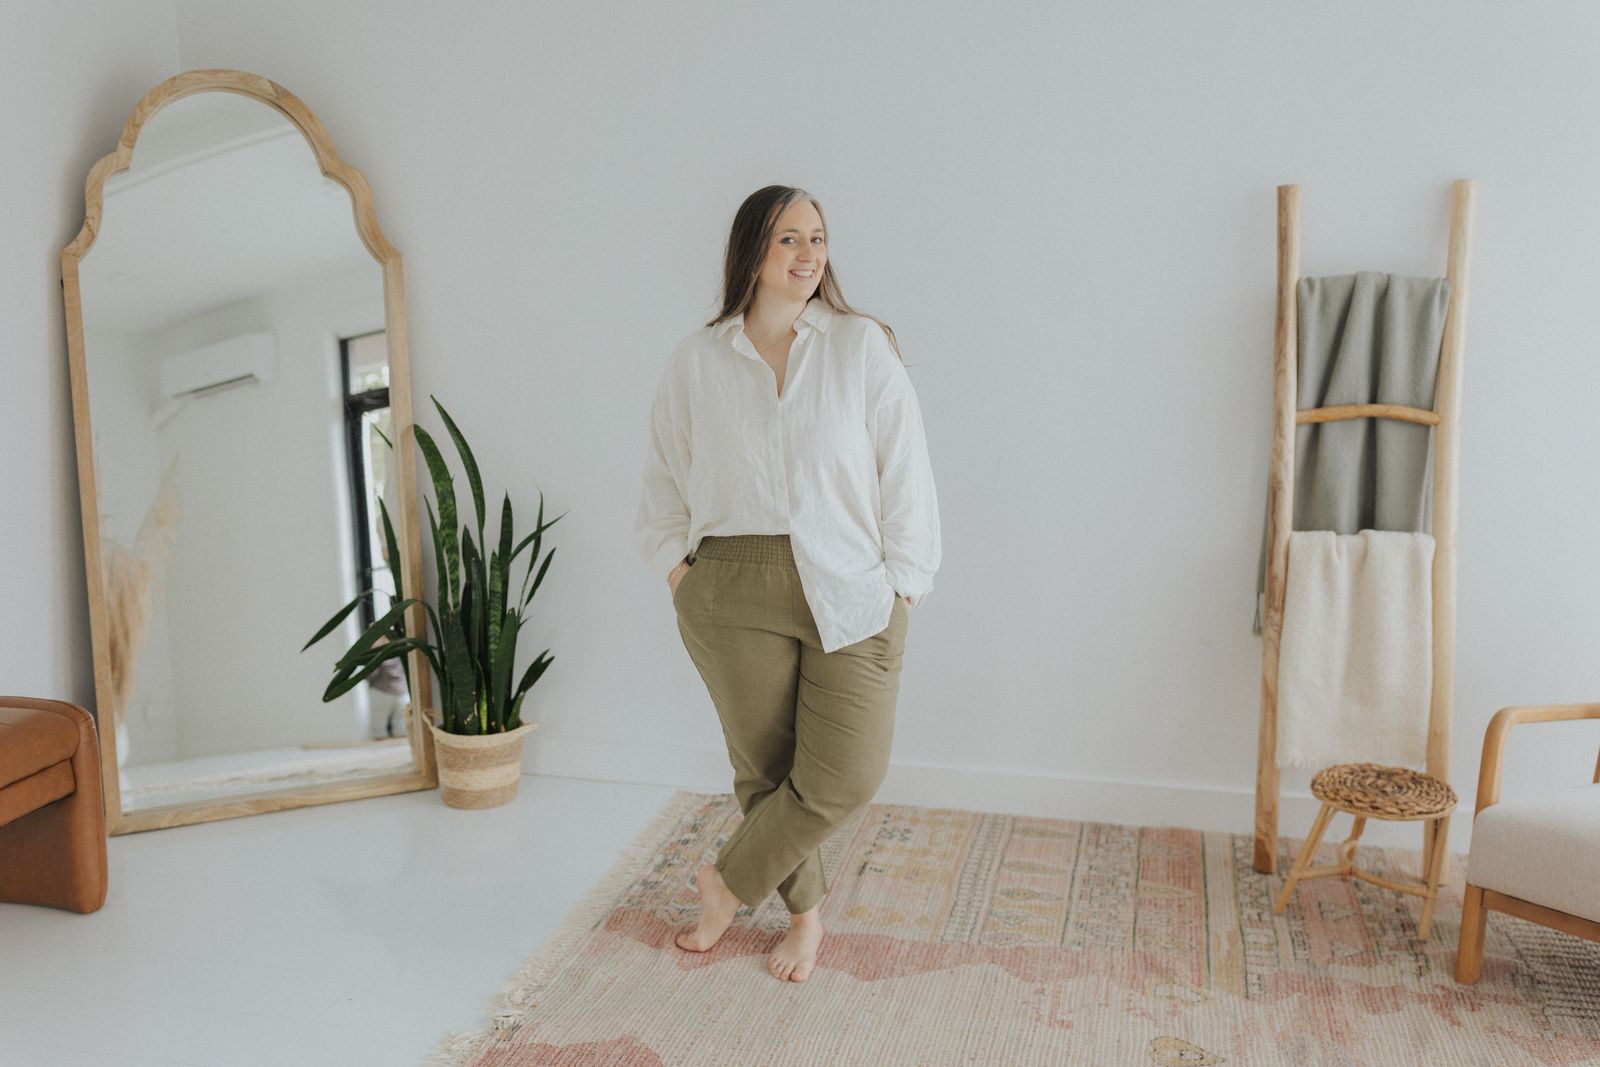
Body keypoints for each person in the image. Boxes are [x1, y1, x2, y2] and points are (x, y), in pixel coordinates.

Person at [632, 184, 941, 983]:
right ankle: (805, 918)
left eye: (818, 238)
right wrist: (679, 571)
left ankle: (726, 883)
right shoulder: (697, 360)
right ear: (752, 253)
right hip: (730, 581)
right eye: (788, 240)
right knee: (766, 770)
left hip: (851, 579)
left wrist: (905, 584)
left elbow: (905, 470)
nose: (808, 255)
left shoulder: (860, 345)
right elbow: (664, 477)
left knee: (846, 773)